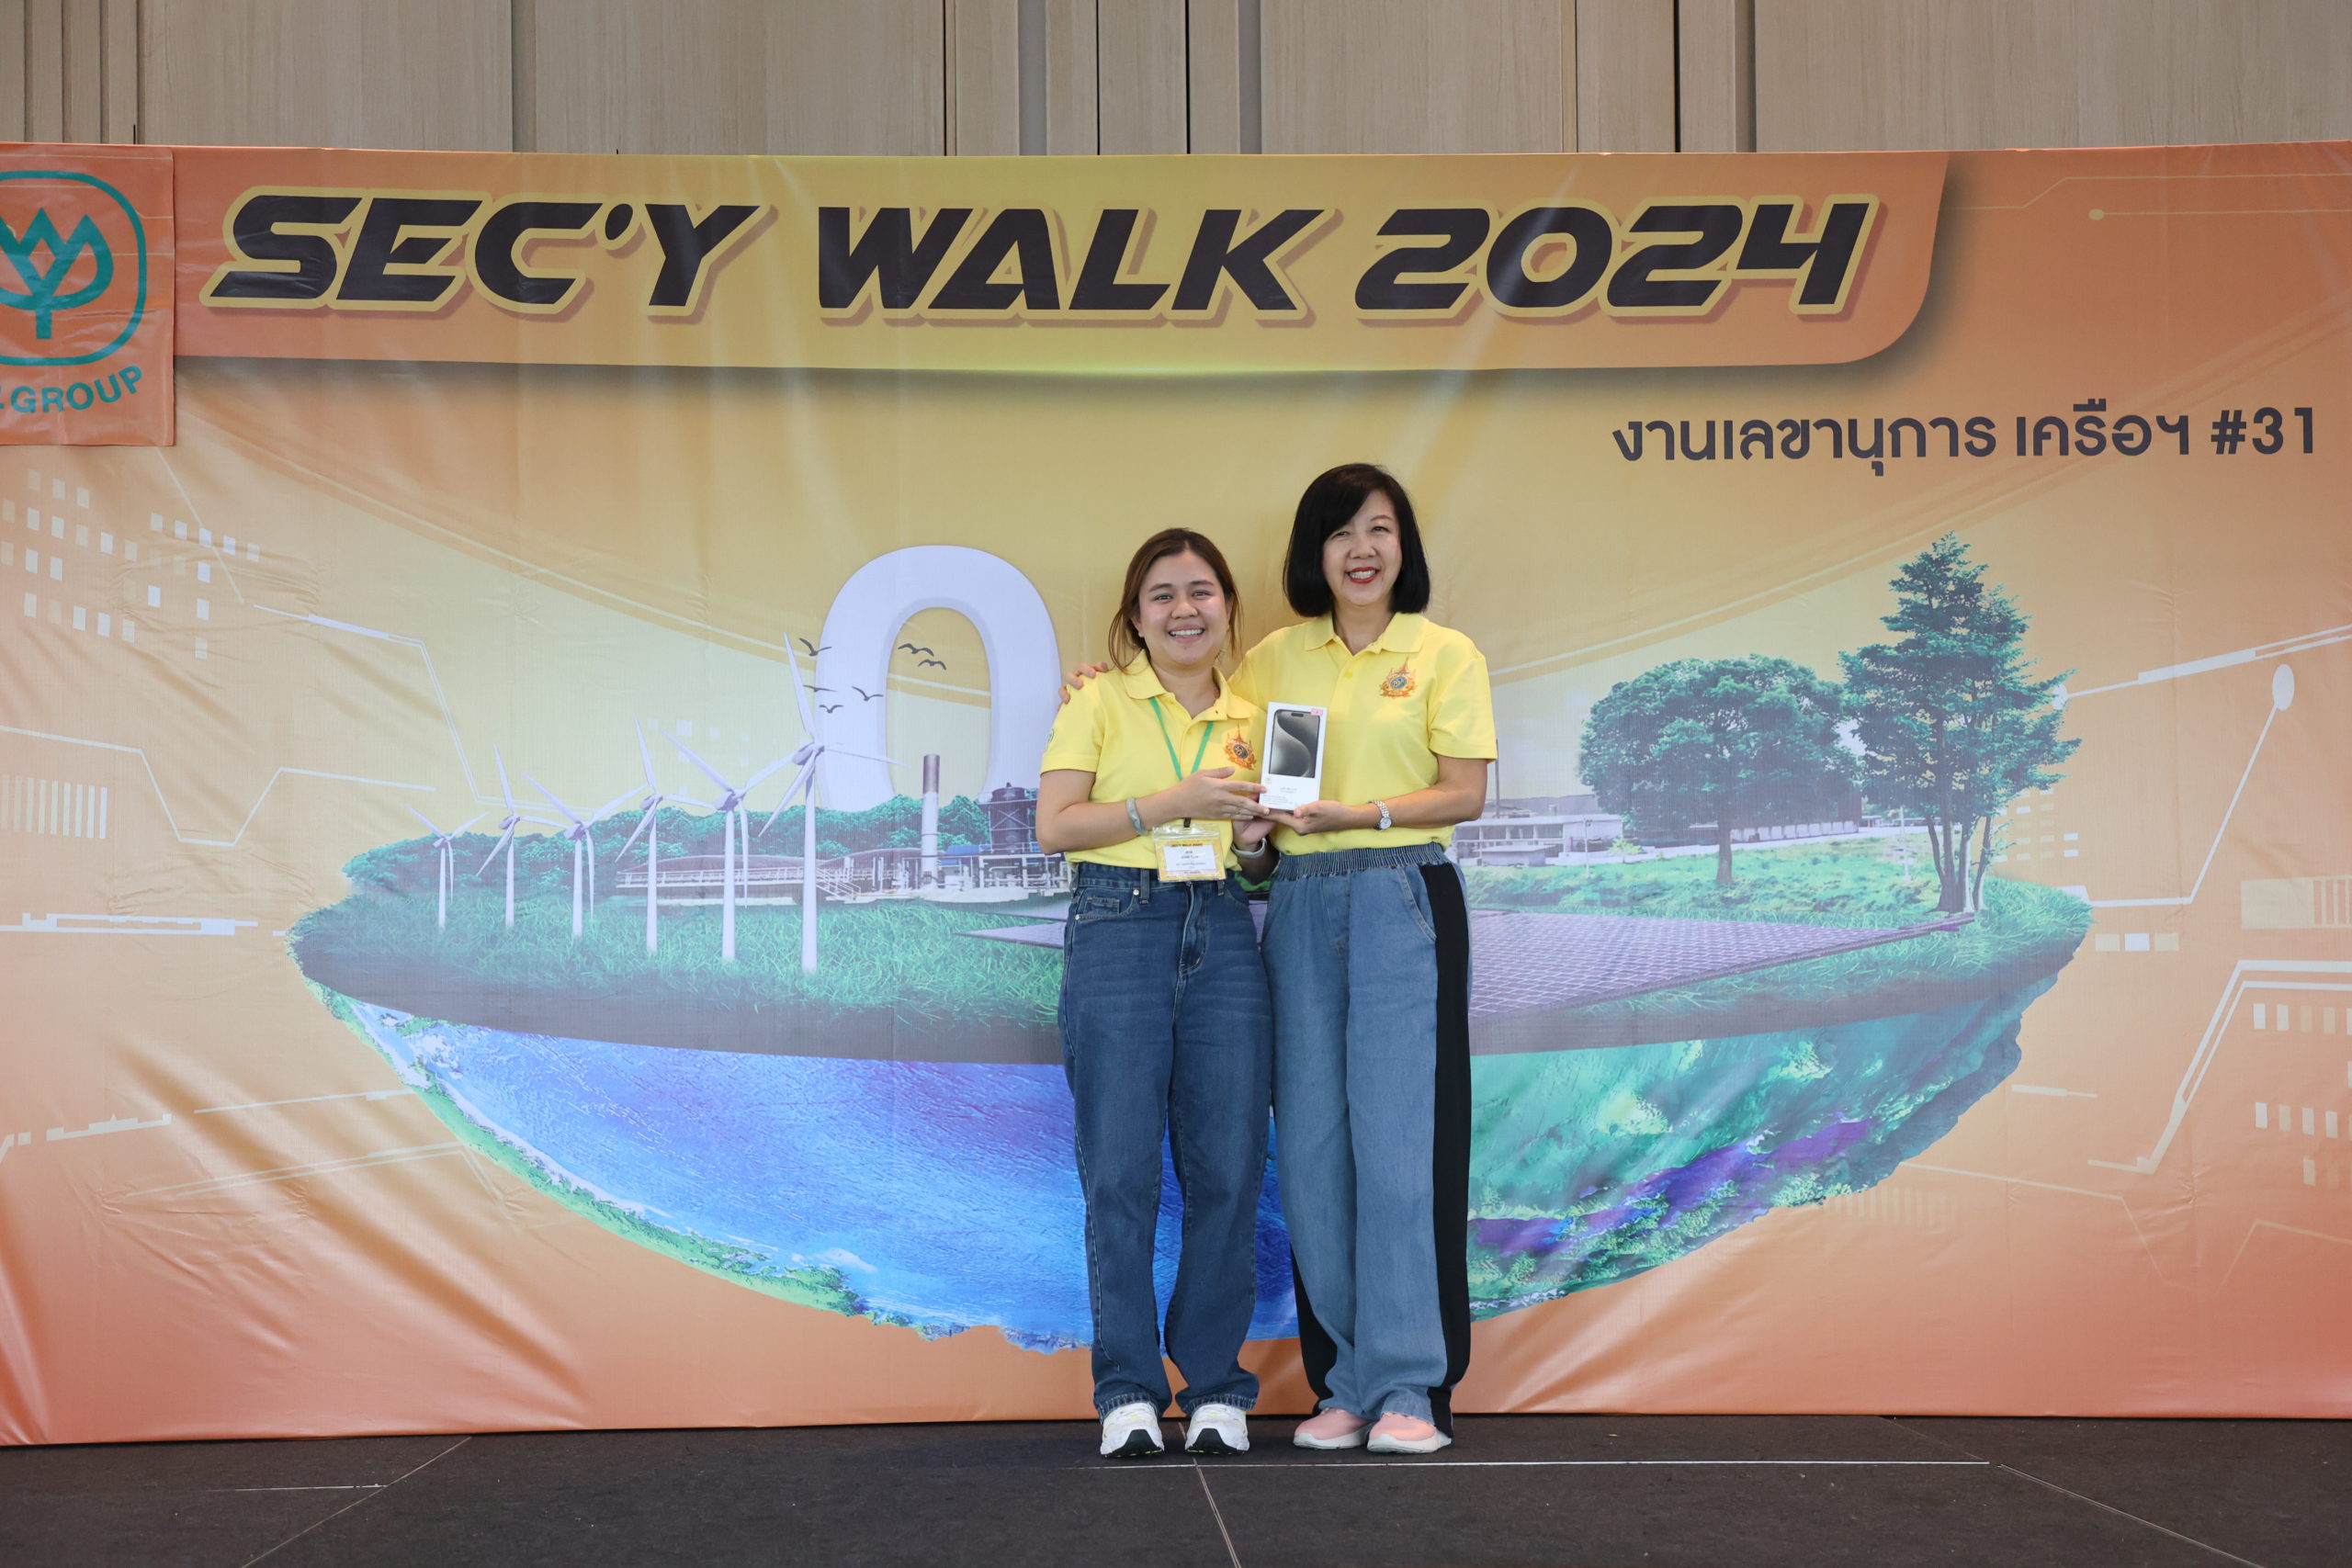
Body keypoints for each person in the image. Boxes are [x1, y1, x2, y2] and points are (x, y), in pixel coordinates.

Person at [1236, 463, 1493, 1455]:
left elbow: (1464, 792)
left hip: (1401, 893)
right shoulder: (1272, 660)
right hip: (1300, 901)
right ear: (1315, 550)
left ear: (1403, 546)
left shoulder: (1442, 653)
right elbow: (1240, 791)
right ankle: (1344, 1382)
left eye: (1380, 529)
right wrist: (1256, 843)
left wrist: (1361, 814)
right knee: (1310, 1152)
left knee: (1399, 1151)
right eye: (1341, 531)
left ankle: (1411, 1386)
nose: (1361, 549)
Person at [1034, 527, 1280, 1461]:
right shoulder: (1097, 699)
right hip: (1118, 923)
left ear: (1228, 606)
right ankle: (1128, 1391)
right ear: (1135, 617)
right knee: (1120, 1170)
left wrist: (1253, 840)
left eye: (1201, 591)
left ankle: (1215, 1386)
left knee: (1229, 1168)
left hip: (1222, 926)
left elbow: (1261, 864)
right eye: (1162, 595)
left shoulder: (1261, 718)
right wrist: (1171, 803)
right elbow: (1055, 825)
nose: (1184, 609)